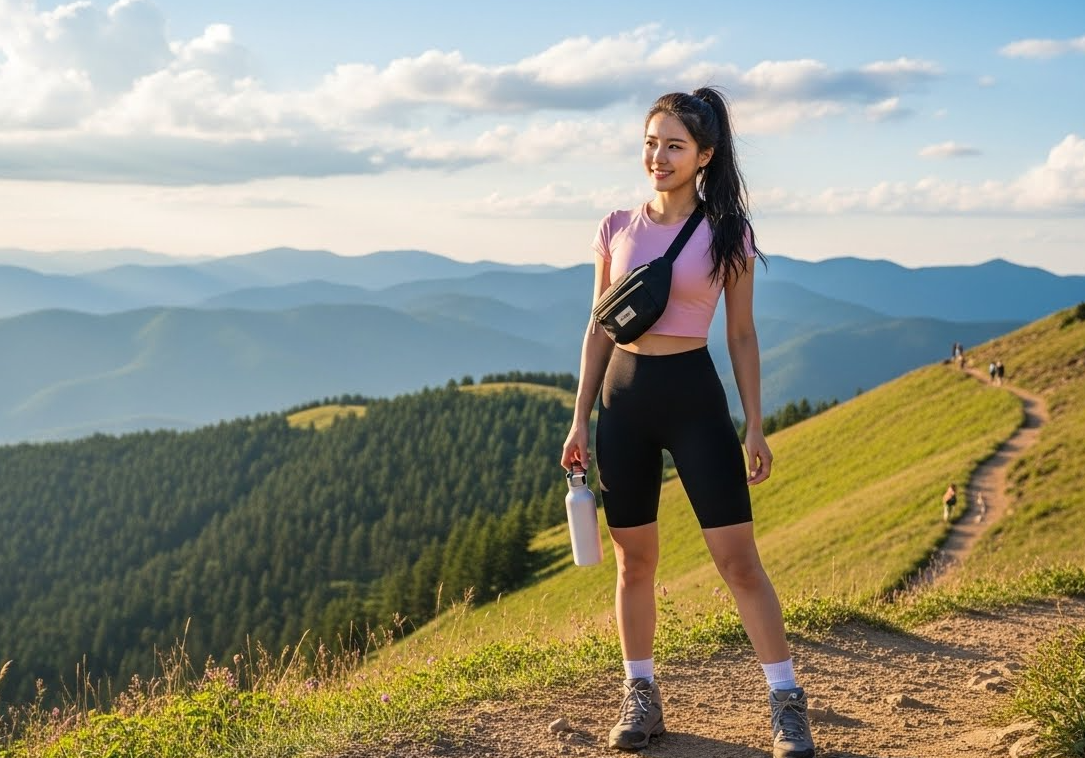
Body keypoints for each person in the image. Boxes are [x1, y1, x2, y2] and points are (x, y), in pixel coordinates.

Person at [560, 87, 815, 758]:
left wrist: (754, 424)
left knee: (738, 561)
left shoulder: (726, 232)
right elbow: (597, 329)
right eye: (650, 142)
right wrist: (578, 419)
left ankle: (786, 703)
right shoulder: (615, 226)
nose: (658, 156)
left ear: (703, 155)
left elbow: (741, 336)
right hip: (622, 402)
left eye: (673, 145)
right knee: (633, 561)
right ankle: (640, 696)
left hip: (694, 399)